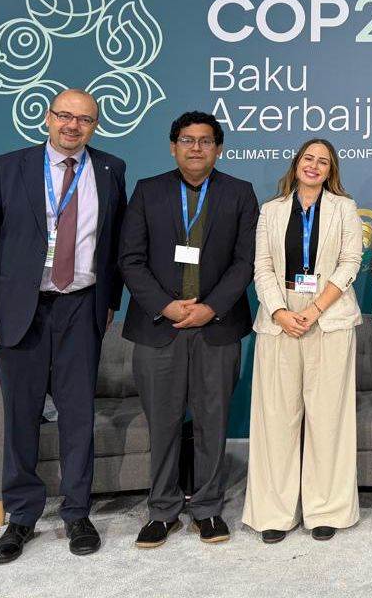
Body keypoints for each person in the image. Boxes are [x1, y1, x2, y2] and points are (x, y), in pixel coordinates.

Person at [0, 88, 126, 563]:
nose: (73, 126)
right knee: (21, 415)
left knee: (77, 415)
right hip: (21, 309)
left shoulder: (111, 169)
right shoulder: (8, 167)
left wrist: (110, 302)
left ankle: (77, 512)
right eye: (65, 116)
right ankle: (22, 516)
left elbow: (114, 243)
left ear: (95, 126)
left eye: (85, 119)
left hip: (82, 308)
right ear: (48, 118)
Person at [118, 111, 258, 548]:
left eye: (205, 140)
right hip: (160, 324)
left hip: (216, 325)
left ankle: (207, 508)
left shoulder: (239, 193)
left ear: (218, 149)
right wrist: (166, 305)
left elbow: (246, 262)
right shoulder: (148, 191)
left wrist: (210, 308)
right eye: (187, 140)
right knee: (162, 423)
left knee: (213, 422)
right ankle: (161, 510)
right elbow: (130, 259)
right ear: (173, 146)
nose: (196, 148)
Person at [242, 138, 363, 543]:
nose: (314, 166)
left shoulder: (344, 208)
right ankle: (274, 512)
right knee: (276, 418)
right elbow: (261, 267)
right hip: (279, 318)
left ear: (331, 171)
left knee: (328, 418)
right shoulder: (271, 210)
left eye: (323, 162)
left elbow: (350, 262)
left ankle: (326, 508)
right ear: (296, 164)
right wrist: (279, 311)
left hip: (329, 316)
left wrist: (314, 310)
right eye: (308, 158)